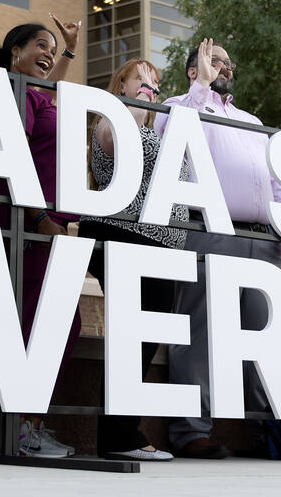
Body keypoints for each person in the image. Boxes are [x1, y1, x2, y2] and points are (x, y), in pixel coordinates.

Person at [156, 38, 281, 459]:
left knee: (264, 335)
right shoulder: (179, 104)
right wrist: (199, 87)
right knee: (199, 332)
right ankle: (190, 431)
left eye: (227, 62)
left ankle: (265, 434)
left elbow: (272, 176)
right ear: (193, 69)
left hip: (261, 238)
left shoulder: (250, 118)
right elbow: (172, 143)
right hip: (209, 228)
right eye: (213, 60)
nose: (225, 67)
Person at [0, 14, 82, 458]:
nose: (48, 54)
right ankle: (20, 428)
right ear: (15, 53)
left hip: (48, 226)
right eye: (39, 46)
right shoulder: (9, 90)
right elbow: (15, 156)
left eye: (51, 48)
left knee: (56, 321)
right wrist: (41, 217)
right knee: (35, 323)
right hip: (27, 222)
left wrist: (70, 49)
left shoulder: (34, 95)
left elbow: (48, 94)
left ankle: (27, 423)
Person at [77, 58, 181, 461]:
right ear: (120, 85)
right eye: (141, 80)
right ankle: (121, 436)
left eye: (155, 82)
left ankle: (124, 431)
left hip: (158, 245)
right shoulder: (113, 121)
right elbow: (119, 144)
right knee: (131, 336)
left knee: (145, 336)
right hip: (124, 236)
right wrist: (137, 102)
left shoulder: (151, 127)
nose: (150, 88)